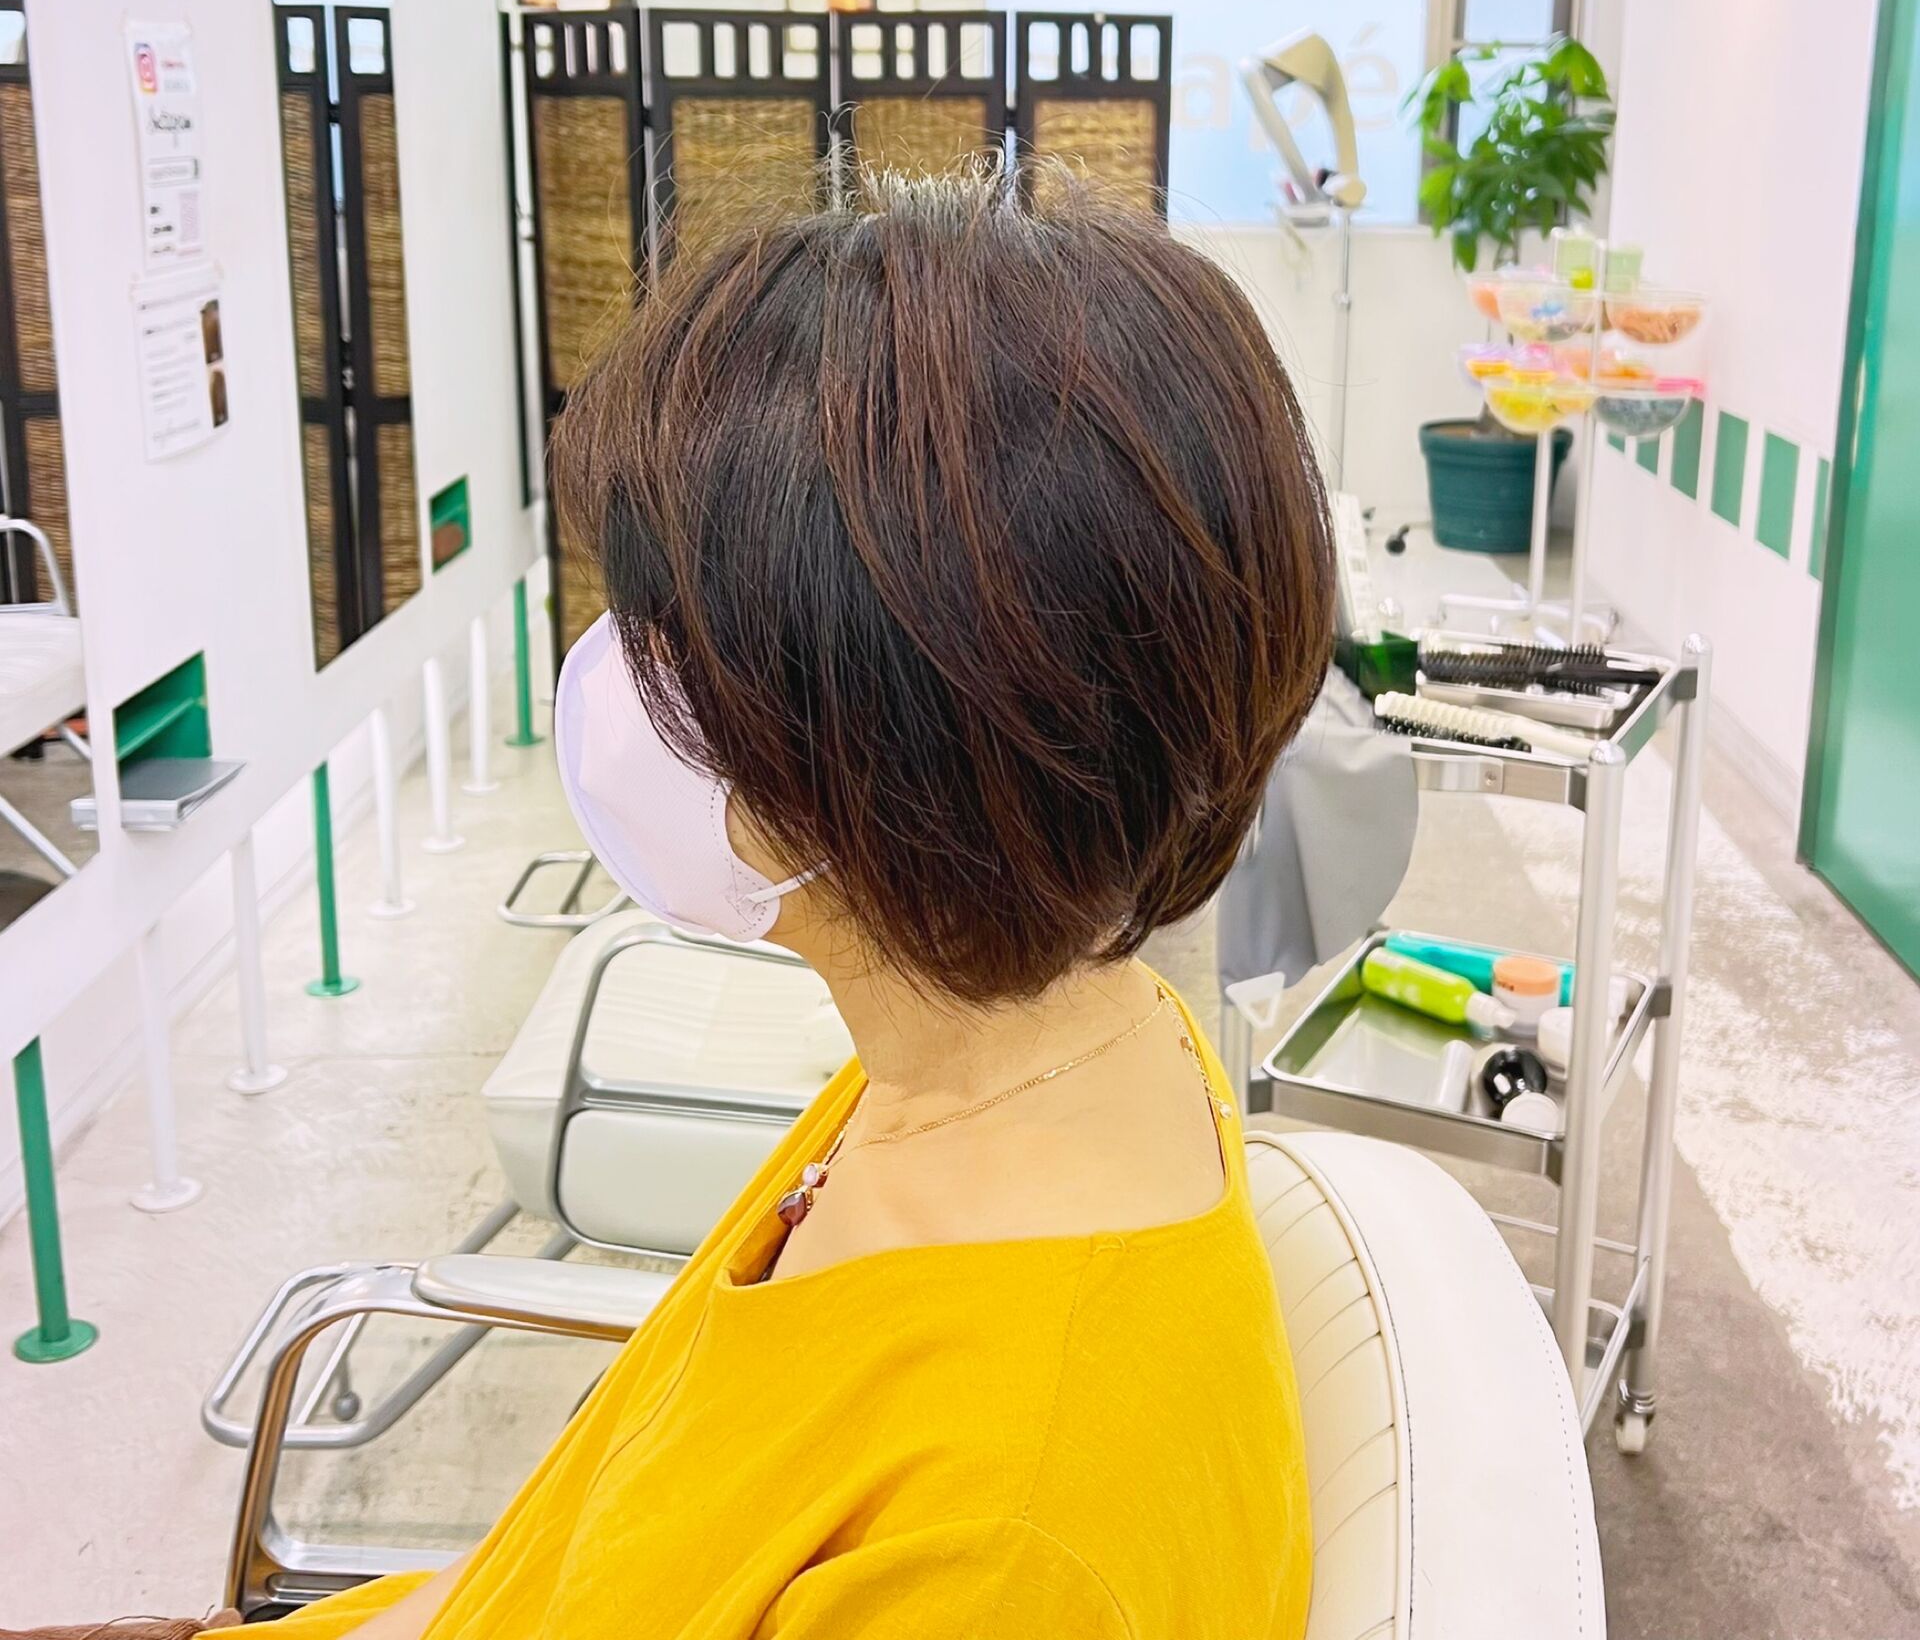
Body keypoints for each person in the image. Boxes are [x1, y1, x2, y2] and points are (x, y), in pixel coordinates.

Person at [27, 166, 1333, 1639]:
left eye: (673, 642)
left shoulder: (1003, 1554)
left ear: (901, 745)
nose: (616, 681)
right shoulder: (1017, 1049)